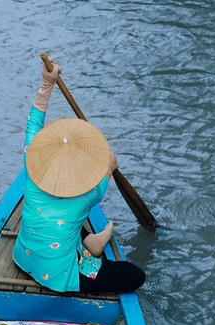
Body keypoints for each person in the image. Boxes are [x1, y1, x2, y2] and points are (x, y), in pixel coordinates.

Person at [12, 61, 146, 294]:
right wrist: (111, 165)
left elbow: (34, 121)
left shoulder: (31, 168)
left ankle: (90, 243)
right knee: (135, 275)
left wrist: (47, 83)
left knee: (65, 224)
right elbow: (104, 175)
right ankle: (88, 249)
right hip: (60, 276)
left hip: (25, 257)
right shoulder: (88, 196)